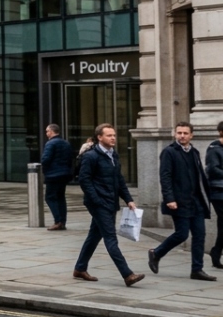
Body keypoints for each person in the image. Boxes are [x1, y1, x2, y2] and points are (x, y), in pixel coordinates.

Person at [73, 123, 143, 286]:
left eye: (114, 135)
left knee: (94, 235)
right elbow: (84, 181)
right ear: (99, 137)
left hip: (110, 202)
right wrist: (97, 201)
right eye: (109, 135)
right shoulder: (91, 156)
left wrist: (129, 199)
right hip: (99, 204)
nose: (113, 138)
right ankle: (127, 275)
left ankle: (80, 268)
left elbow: (118, 179)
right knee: (110, 238)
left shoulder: (113, 155)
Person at [148, 122, 214, 280]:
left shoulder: (195, 152)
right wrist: (169, 198)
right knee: (182, 234)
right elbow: (165, 177)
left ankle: (197, 270)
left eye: (185, 133)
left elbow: (200, 178)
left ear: (191, 135)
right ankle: (156, 253)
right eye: (179, 133)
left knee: (200, 235)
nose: (182, 136)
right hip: (179, 201)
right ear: (175, 134)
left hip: (196, 201)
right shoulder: (169, 152)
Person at [40, 123, 75, 230]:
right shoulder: (66, 143)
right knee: (60, 197)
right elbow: (70, 159)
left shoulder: (50, 143)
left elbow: (46, 159)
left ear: (51, 131)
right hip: (64, 174)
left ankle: (58, 221)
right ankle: (62, 221)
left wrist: (45, 170)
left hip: (53, 174)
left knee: (50, 197)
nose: (46, 134)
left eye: (47, 131)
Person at [206, 121, 223, 270]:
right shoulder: (214, 149)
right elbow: (213, 170)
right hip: (218, 192)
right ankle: (216, 252)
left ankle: (216, 252)